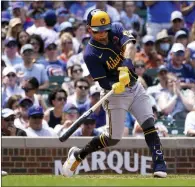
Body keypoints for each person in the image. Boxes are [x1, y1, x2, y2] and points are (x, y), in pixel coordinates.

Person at [62, 9, 167, 178]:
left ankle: (159, 163)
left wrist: (125, 66)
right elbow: (102, 81)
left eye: (105, 29)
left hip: (135, 87)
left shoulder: (116, 28)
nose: (103, 34)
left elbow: (130, 45)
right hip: (114, 93)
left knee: (148, 123)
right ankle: (78, 155)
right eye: (98, 31)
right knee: (113, 138)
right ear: (89, 29)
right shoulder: (90, 54)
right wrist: (115, 84)